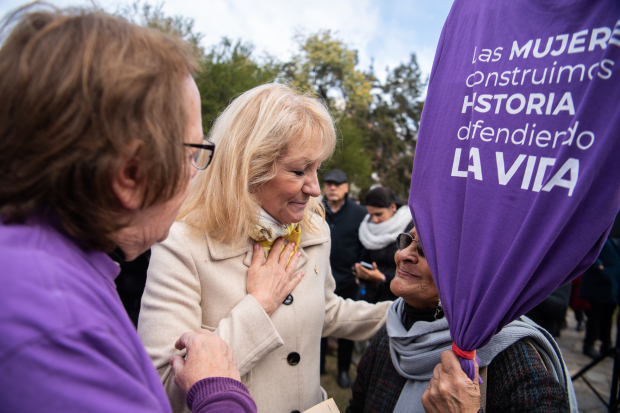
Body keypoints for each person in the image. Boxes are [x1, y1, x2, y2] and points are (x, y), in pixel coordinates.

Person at [0, 6, 299, 412]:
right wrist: (219, 389)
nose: (197, 176)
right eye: (193, 153)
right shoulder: (57, 325)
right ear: (130, 173)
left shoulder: (55, 269)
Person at [138, 83, 392, 413]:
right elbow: (161, 388)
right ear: (249, 167)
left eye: (318, 168)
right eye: (299, 170)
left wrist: (403, 314)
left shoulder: (314, 231)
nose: (315, 188)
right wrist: (259, 305)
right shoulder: (182, 242)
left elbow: (325, 310)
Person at [347, 227, 576, 413]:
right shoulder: (392, 331)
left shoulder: (509, 354)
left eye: (426, 249)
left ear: (469, 271)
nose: (405, 254)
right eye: (407, 240)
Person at [320, 169, 368, 388]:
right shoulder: (314, 208)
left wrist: (358, 270)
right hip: (317, 278)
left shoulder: (359, 213)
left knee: (346, 327)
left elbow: (364, 244)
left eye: (337, 184)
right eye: (329, 183)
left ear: (346, 187)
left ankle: (343, 371)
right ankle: (317, 367)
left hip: (347, 280)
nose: (332, 187)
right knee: (316, 325)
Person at [355, 187, 413, 303]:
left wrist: (382, 277)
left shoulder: (410, 228)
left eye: (378, 214)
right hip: (371, 297)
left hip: (399, 299)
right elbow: (365, 256)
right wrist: (360, 271)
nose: (374, 220)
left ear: (392, 207)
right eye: (371, 215)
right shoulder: (367, 228)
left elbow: (412, 268)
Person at [579, 236, 620, 358]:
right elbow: (588, 250)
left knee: (608, 318)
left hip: (613, 286)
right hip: (599, 284)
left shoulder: (616, 240)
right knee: (595, 318)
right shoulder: (603, 235)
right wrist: (598, 266)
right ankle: (589, 344)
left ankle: (606, 345)